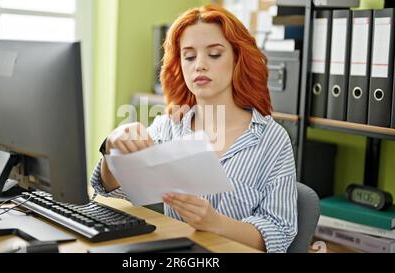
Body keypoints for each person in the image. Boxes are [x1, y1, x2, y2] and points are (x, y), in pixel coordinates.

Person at [91, 4, 297, 253]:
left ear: (237, 58)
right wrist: (112, 146)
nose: (199, 65)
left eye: (214, 54)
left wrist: (216, 223)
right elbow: (113, 191)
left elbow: (279, 232)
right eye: (189, 56)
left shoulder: (272, 139)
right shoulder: (170, 127)